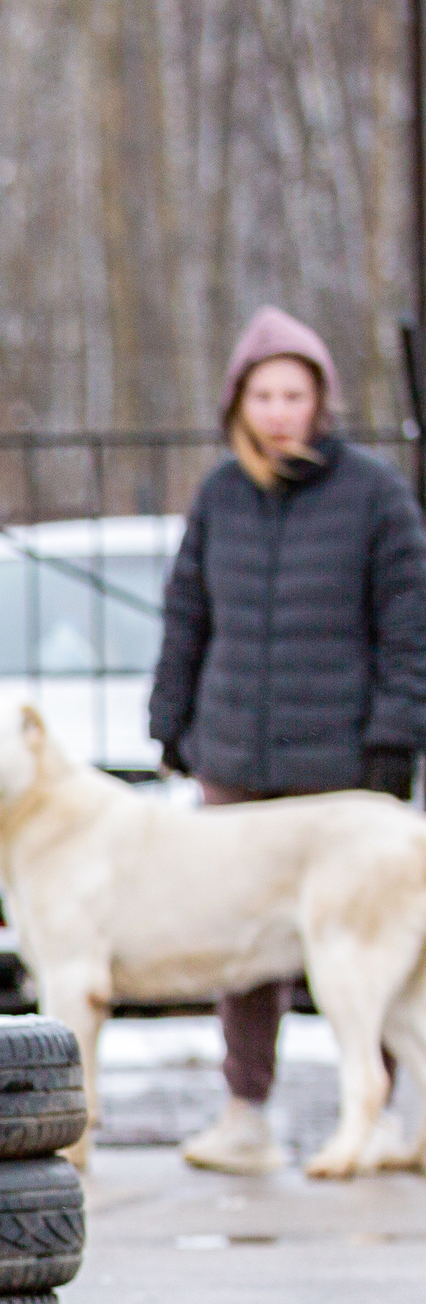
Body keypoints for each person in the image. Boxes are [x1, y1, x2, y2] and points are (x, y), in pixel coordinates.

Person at [149, 306, 426, 1175]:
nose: (277, 410)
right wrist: (172, 719)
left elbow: (407, 626)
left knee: (362, 948)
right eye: (263, 393)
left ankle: (376, 1112)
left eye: (293, 393)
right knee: (242, 946)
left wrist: (394, 736)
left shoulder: (374, 494)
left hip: (340, 770)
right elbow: (187, 613)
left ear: (320, 402)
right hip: (235, 759)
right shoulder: (222, 493)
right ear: (240, 401)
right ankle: (246, 1112)